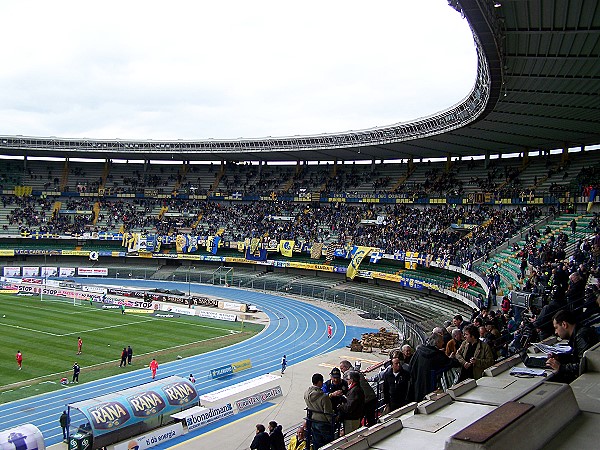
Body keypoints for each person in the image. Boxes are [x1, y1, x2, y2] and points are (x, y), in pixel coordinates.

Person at [547, 310, 599, 383]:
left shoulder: (582, 336)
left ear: (564, 324)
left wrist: (561, 367)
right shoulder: (581, 332)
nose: (556, 332)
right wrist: (560, 358)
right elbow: (578, 357)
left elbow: (583, 366)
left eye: (556, 327)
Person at [408, 332, 455, 403]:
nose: (443, 343)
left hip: (417, 385)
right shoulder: (437, 355)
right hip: (430, 387)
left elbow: (411, 366)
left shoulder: (419, 351)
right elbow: (450, 363)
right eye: (442, 341)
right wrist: (451, 358)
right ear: (437, 342)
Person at [339, 359, 377, 427]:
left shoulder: (347, 374)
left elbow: (345, 388)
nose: (341, 370)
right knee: (371, 420)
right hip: (372, 397)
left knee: (357, 421)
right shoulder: (356, 372)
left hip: (364, 401)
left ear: (346, 367)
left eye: (342, 368)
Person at [304, 373, 335, 450]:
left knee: (316, 443)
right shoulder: (323, 397)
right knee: (327, 443)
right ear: (320, 382)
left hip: (313, 420)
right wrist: (332, 421)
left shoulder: (306, 394)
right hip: (323, 422)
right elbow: (328, 412)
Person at [337, 371, 365, 435]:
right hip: (355, 417)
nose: (347, 381)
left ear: (352, 380)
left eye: (348, 379)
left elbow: (349, 407)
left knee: (350, 436)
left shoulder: (354, 391)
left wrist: (340, 406)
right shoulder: (357, 389)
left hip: (351, 419)